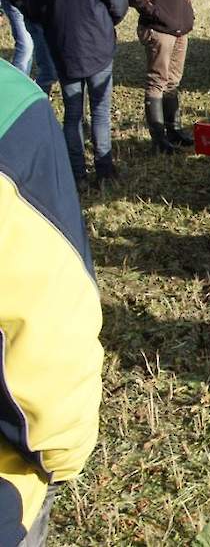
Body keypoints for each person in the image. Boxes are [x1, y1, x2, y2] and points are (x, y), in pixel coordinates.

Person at [0, 60, 103, 547]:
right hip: (4, 491)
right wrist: (61, 454)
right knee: (92, 101)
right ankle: (101, 160)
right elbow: (43, 317)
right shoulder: (8, 105)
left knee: (82, 103)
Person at [33, 0, 128, 184]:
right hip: (95, 39)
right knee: (98, 112)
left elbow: (32, 8)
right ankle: (104, 170)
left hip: (64, 42)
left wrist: (51, 22)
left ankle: (78, 173)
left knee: (73, 113)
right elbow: (118, 4)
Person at [129, 0, 195, 154]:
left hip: (180, 27)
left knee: (173, 81)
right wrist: (153, 12)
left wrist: (188, 14)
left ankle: (174, 131)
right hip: (159, 28)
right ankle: (159, 141)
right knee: (157, 83)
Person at [0, 0, 55, 94]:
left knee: (48, 64)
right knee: (26, 46)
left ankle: (34, 97)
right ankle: (16, 92)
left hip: (40, 4)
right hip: (18, 2)